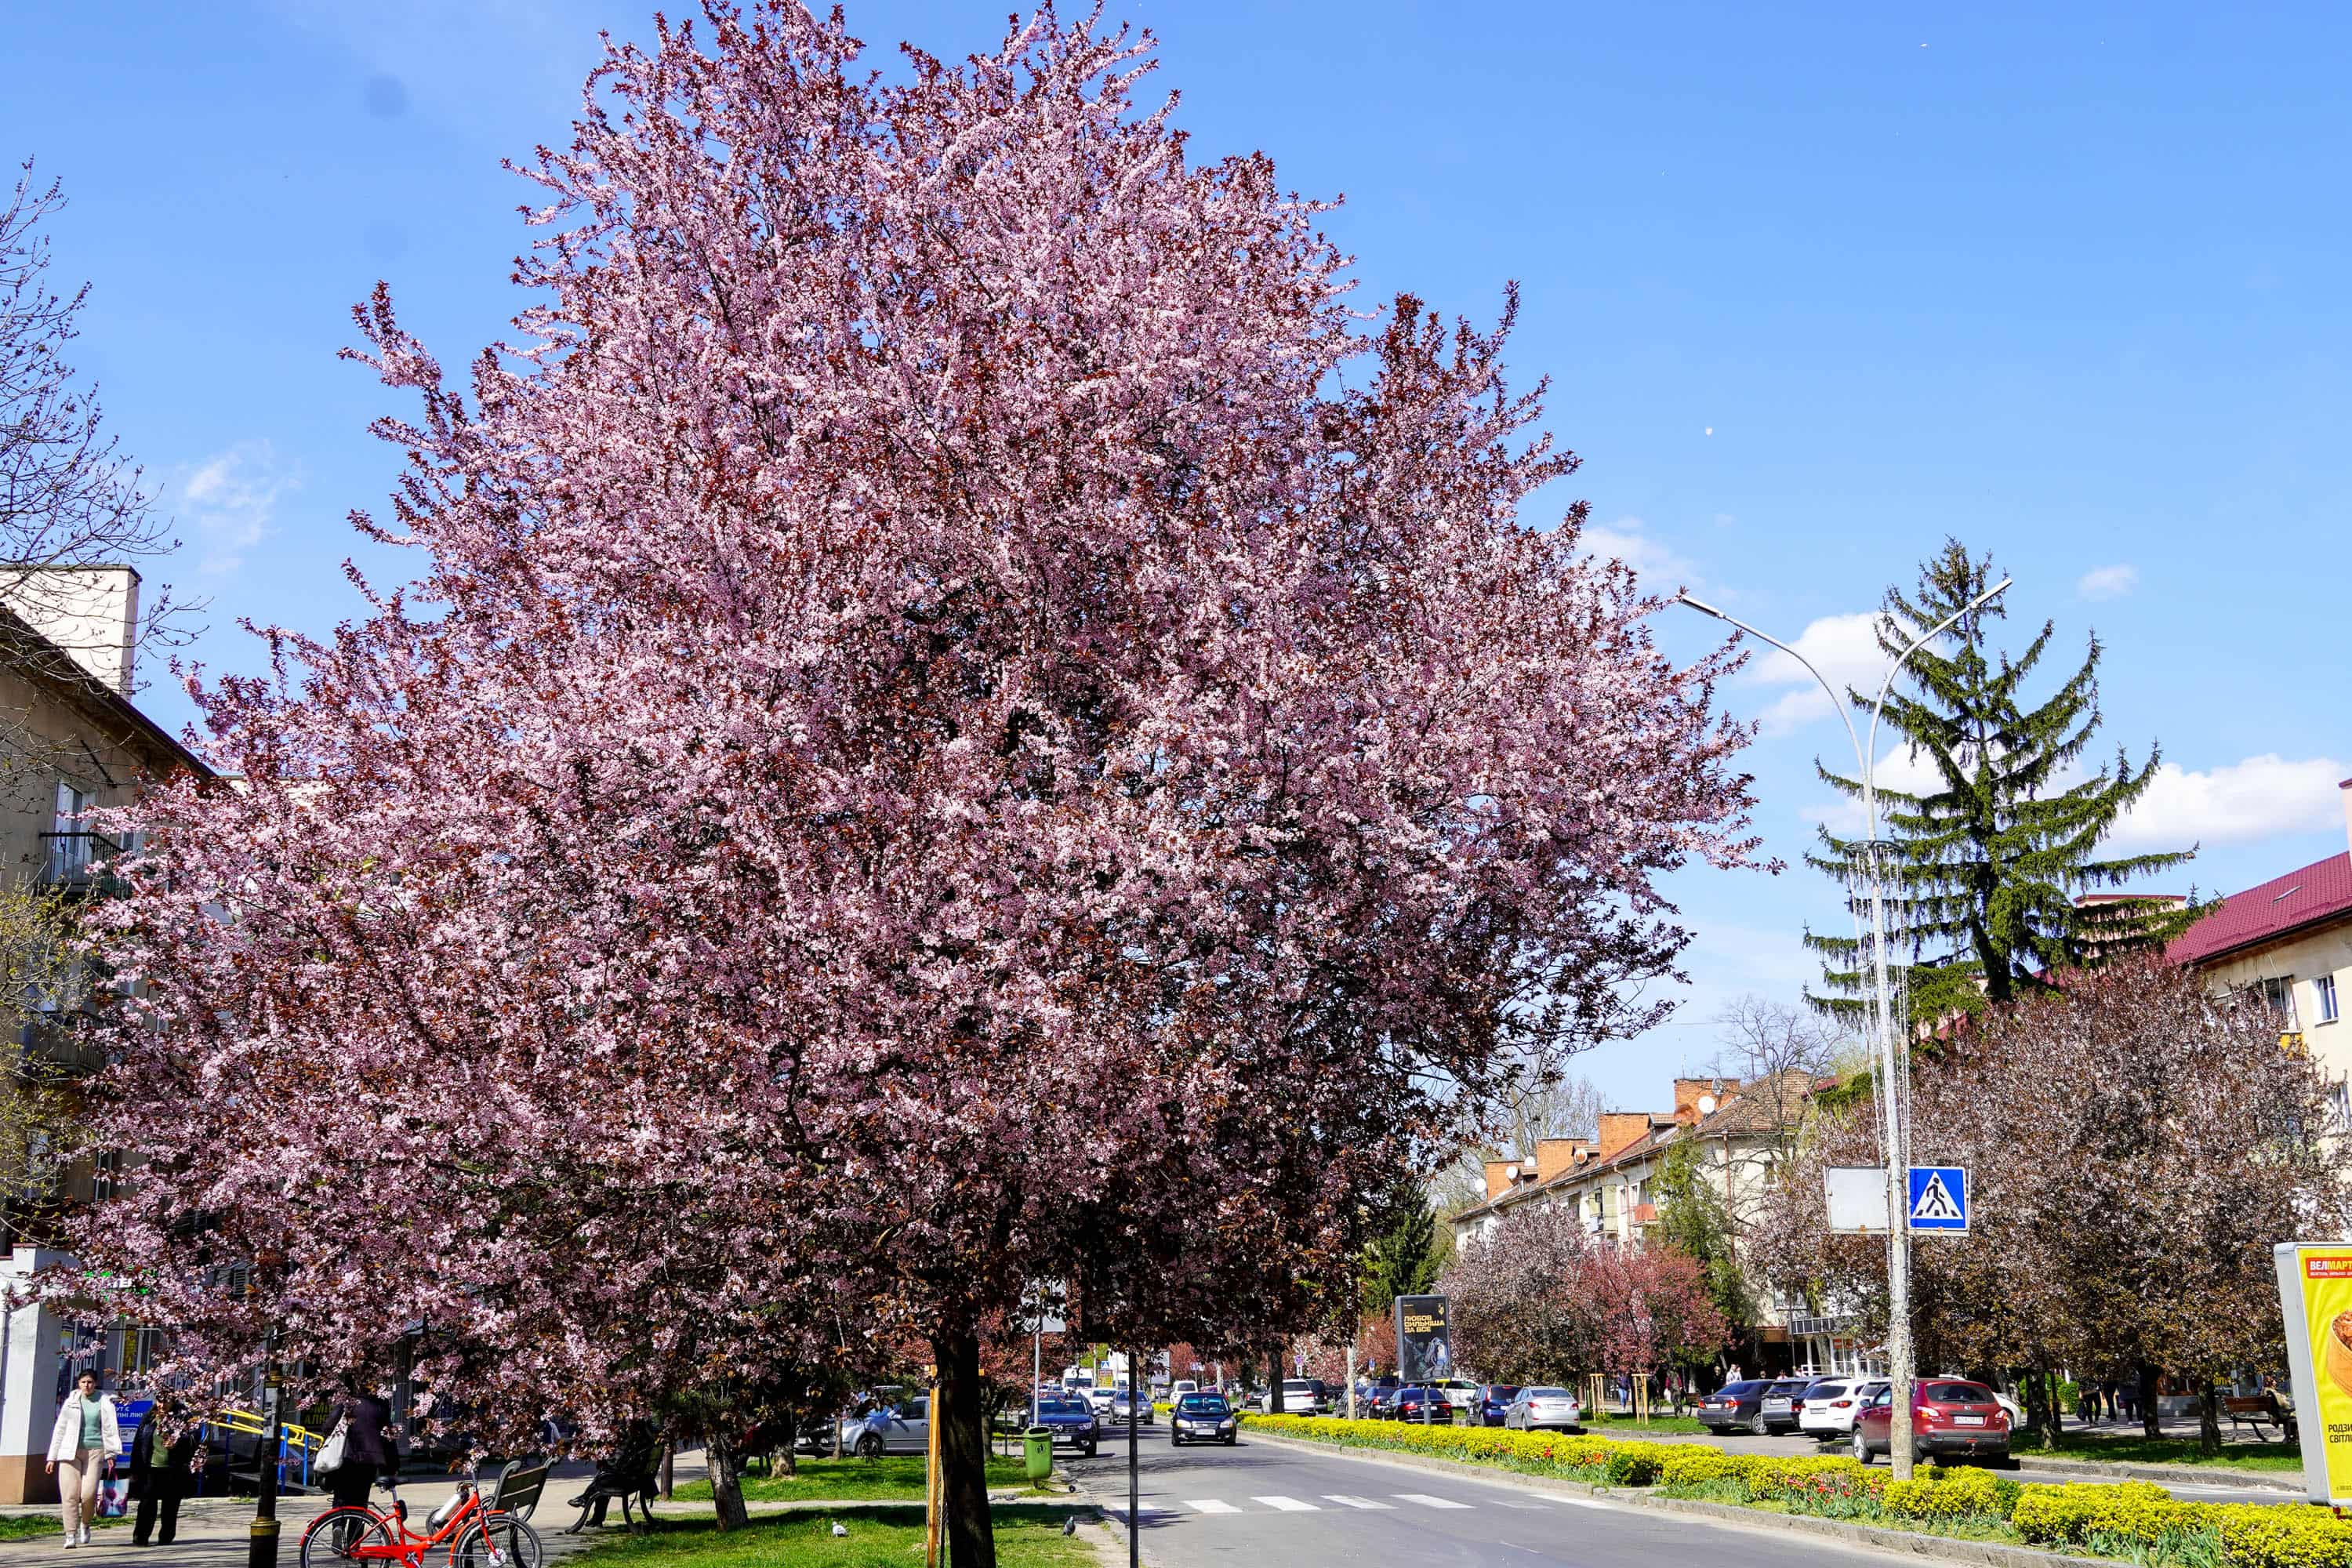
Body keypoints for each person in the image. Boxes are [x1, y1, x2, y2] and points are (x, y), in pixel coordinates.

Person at [45, 1370, 122, 1548]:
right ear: (78, 1384)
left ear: (95, 1383)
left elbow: (110, 1428)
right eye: (83, 1382)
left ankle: (85, 1524)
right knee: (70, 1494)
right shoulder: (71, 1402)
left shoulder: (104, 1401)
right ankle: (70, 1534)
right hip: (69, 1452)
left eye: (90, 1382)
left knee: (88, 1494)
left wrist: (111, 1454)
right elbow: (60, 1429)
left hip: (95, 1451)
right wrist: (52, 1457)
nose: (86, 1386)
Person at [325, 1381, 401, 1542]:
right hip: (369, 1460)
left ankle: (337, 1526)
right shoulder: (379, 1406)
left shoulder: (346, 1403)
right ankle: (354, 1542)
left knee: (341, 1496)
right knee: (360, 1502)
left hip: (345, 1457)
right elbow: (389, 1438)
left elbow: (328, 1426)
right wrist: (392, 1466)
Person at [129, 1398, 201, 1548]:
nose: (162, 1405)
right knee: (147, 1503)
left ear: (173, 1401)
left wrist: (178, 1442)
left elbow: (195, 1437)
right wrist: (135, 1468)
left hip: (174, 1468)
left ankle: (166, 1536)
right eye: (159, 1401)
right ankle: (141, 1536)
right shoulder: (149, 1416)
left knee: (171, 1504)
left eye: (166, 1402)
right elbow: (139, 1442)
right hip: (151, 1467)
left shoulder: (184, 1416)